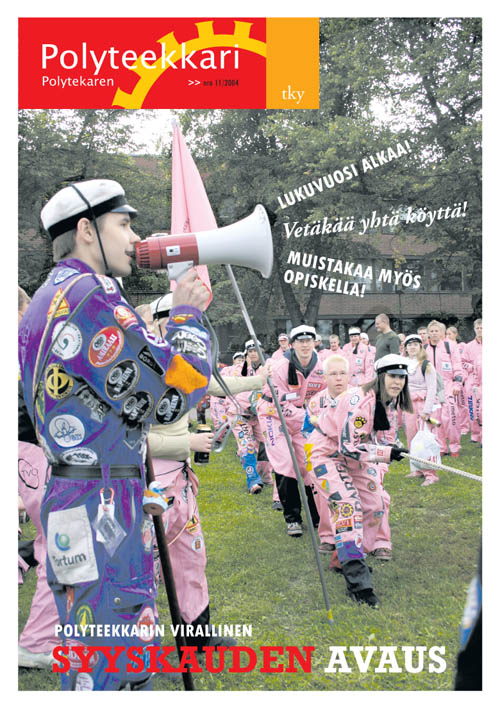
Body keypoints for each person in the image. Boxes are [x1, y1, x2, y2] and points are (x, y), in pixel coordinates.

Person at [18, 179, 212, 691]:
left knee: (88, 650)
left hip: (73, 492)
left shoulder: (46, 298)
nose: (135, 238)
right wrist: (188, 318)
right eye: (123, 224)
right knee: (117, 657)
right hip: (104, 499)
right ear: (87, 231)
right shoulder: (93, 295)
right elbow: (171, 395)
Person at [143, 300, 267, 650]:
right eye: (181, 324)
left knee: (191, 557)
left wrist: (260, 379)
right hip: (147, 487)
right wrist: (187, 442)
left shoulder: (182, 365)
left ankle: (196, 634)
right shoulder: (140, 368)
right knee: (144, 566)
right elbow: (133, 438)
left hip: (181, 484)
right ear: (160, 325)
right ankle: (140, 650)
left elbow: (214, 384)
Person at [308, 354, 412, 607]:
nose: (397, 382)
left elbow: (373, 440)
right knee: (347, 506)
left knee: (376, 505)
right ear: (380, 377)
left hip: (355, 459)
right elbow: (349, 446)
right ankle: (358, 582)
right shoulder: (361, 401)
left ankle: (343, 557)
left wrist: (391, 449)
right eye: (392, 376)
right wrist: (386, 453)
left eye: (401, 377)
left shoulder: (387, 401)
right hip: (326, 455)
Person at [18, 287, 60, 669]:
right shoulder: (25, 349)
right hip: (30, 451)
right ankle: (36, 643)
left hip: (24, 450)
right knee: (58, 544)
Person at [257, 325, 324, 537]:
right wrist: (308, 418)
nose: (305, 345)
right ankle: (292, 518)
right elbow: (279, 403)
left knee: (309, 463)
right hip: (273, 415)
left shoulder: (321, 367)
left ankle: (317, 515)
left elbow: (323, 397)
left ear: (314, 343)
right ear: (292, 345)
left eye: (308, 341)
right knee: (285, 463)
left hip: (301, 417)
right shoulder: (280, 367)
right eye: (300, 341)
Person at [304, 354, 350, 553]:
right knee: (323, 495)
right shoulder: (315, 403)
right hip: (322, 456)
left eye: (342, 373)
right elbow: (307, 430)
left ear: (349, 376)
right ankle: (327, 536)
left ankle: (370, 540)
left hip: (351, 456)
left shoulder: (358, 398)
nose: (338, 378)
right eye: (333, 374)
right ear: (324, 377)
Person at [403, 334, 440, 486]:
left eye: (415, 344)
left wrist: (426, 410)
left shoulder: (426, 365)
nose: (412, 347)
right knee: (411, 436)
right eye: (409, 345)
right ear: (405, 348)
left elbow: (432, 388)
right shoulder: (404, 364)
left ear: (420, 347)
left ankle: (430, 474)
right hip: (409, 405)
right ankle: (417, 468)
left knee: (425, 438)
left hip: (424, 405)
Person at [426, 320, 463, 457]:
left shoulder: (450, 346)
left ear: (442, 332)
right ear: (428, 333)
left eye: (437, 331)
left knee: (451, 418)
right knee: (435, 419)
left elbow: (458, 366)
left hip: (447, 387)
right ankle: (441, 447)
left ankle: (454, 447)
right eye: (432, 331)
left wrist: (457, 384)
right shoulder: (424, 349)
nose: (434, 333)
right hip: (432, 389)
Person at [464, 319, 482, 444]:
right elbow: (462, 362)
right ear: (474, 329)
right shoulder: (468, 346)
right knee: (472, 408)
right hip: (472, 380)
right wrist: (472, 367)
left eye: (482, 328)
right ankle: (475, 435)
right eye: (477, 328)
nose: (480, 330)